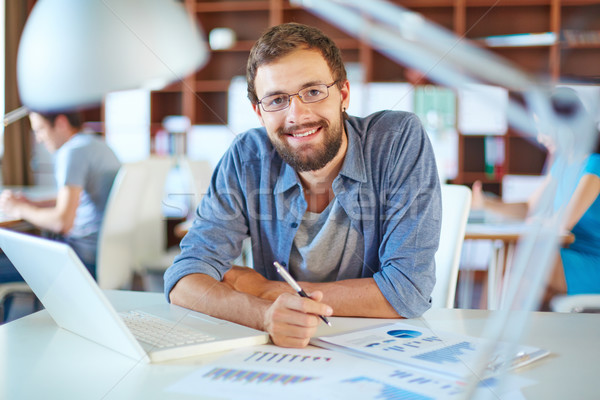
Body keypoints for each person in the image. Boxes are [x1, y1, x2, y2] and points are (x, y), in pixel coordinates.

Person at [164, 23, 441, 348]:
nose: (298, 115)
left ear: (343, 94)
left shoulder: (396, 140)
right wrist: (264, 315)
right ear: (259, 113)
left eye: (313, 91)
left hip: (378, 347)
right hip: (284, 348)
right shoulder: (246, 158)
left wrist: (266, 289)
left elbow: (409, 289)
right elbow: (184, 280)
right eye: (277, 100)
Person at [471, 88, 600, 303]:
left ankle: (484, 329)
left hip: (591, 261)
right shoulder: (562, 163)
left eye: (544, 129)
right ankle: (486, 328)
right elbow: (530, 208)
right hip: (568, 257)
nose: (540, 138)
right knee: (515, 276)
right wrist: (487, 204)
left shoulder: (594, 164)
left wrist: (540, 222)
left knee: (525, 256)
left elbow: (565, 222)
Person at [0, 111, 121, 279]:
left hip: (80, 259)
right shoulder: (97, 145)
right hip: (108, 256)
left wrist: (19, 208)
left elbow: (61, 222)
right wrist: (34, 204)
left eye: (40, 129)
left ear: (61, 123)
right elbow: (77, 198)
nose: (39, 139)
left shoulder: (73, 151)